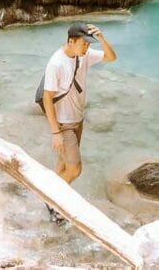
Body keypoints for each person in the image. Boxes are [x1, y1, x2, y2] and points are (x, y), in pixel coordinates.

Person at [41, 22, 117, 223]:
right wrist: (55, 132)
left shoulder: (83, 56)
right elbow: (48, 98)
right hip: (64, 123)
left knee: (64, 164)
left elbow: (111, 57)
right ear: (70, 41)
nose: (87, 48)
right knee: (75, 169)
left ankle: (53, 198)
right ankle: (52, 200)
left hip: (78, 119)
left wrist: (101, 38)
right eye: (84, 44)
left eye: (89, 44)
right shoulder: (56, 63)